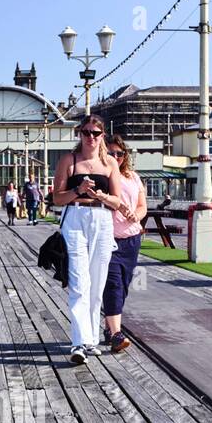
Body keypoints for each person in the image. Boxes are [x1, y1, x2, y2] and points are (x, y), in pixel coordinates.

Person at [51, 114, 136, 365]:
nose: (91, 137)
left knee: (97, 282)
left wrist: (98, 194)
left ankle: (91, 340)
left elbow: (117, 201)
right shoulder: (69, 160)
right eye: (86, 132)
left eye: (95, 133)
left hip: (101, 219)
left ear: (103, 135)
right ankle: (78, 341)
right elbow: (57, 198)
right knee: (79, 280)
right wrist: (78, 190)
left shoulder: (110, 163)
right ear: (80, 133)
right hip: (76, 218)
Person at [101, 135, 146, 355]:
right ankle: (117, 334)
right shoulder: (103, 176)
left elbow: (142, 206)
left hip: (131, 238)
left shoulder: (133, 177)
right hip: (108, 238)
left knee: (124, 285)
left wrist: (135, 216)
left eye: (120, 153)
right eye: (111, 153)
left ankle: (109, 327)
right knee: (113, 285)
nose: (116, 157)